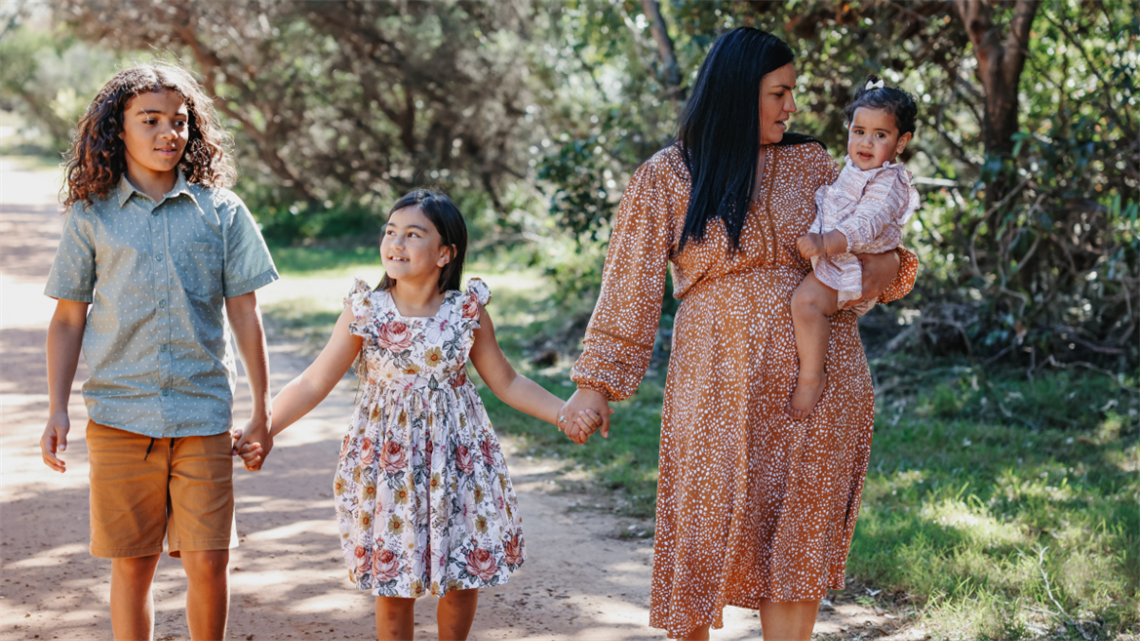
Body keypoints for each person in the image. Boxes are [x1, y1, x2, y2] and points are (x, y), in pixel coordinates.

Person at [560, 28, 919, 641]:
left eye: (793, 93)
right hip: (716, 382)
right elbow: (630, 286)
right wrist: (596, 385)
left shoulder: (812, 163)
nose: (792, 108)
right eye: (779, 93)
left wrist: (888, 271)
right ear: (736, 92)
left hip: (819, 386)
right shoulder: (667, 175)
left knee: (795, 538)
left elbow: (878, 251)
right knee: (701, 527)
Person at [244, 190, 600, 641]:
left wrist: (564, 412)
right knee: (393, 580)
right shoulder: (365, 311)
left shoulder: (466, 311)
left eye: (413, 234)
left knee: (461, 571)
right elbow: (314, 382)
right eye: (390, 231)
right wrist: (266, 426)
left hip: (458, 462)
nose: (396, 242)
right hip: (389, 465)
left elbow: (507, 382)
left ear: (444, 253)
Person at [39, 64, 278, 641]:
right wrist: (56, 408)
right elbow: (69, 317)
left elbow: (246, 313)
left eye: (179, 121)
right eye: (150, 120)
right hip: (120, 417)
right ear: (117, 129)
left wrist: (261, 410)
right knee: (133, 563)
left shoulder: (221, 212)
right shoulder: (91, 216)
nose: (168, 132)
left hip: (201, 415)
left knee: (208, 560)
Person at [785, 75, 920, 420]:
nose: (866, 142)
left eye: (880, 135)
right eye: (859, 131)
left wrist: (823, 242)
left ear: (901, 142)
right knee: (807, 302)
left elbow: (866, 225)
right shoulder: (854, 168)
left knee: (806, 303)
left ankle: (812, 376)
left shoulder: (889, 182)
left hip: (852, 264)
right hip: (842, 258)